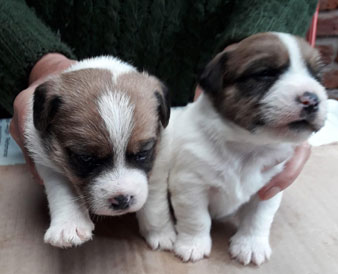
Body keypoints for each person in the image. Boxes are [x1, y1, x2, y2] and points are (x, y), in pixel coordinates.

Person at [1, 0, 316, 199]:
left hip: (196, 101)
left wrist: (257, 64)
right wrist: (39, 63)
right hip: (29, 105)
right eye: (86, 158)